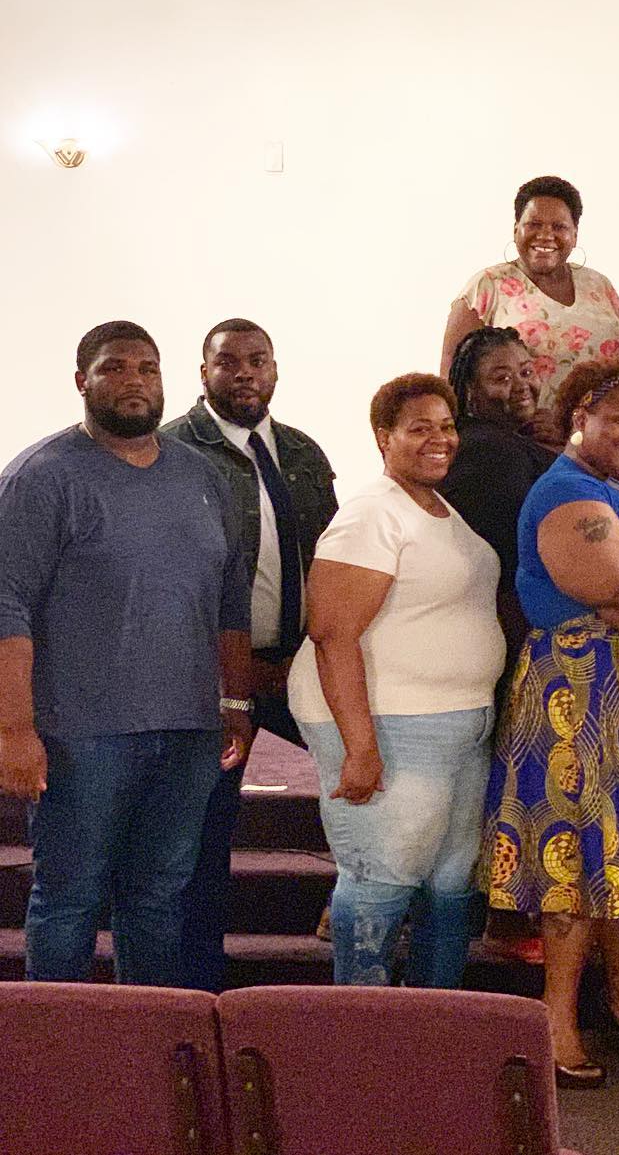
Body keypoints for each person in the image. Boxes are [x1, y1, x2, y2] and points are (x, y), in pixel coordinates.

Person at [0, 321, 253, 986]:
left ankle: (145, 1054)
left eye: (147, 368)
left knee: (158, 900)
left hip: (189, 732)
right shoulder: (40, 477)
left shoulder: (202, 477)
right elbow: (7, 606)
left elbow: (230, 599)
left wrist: (233, 699)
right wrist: (14, 728)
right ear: (82, 381)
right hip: (83, 736)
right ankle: (57, 1061)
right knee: (69, 901)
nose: (134, 381)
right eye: (114, 368)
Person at [481, 357, 619, 1088]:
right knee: (572, 858)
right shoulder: (567, 493)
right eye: (616, 421)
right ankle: (556, 1024)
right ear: (579, 416)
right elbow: (612, 593)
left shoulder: (614, 489)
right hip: (579, 692)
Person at [287, 374, 505, 989]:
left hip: (460, 720)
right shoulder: (371, 514)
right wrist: (360, 746)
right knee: (383, 876)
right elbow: (332, 634)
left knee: (449, 882)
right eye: (419, 428)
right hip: (389, 722)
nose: (439, 440)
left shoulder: (436, 507)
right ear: (384, 438)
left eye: (446, 426)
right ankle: (363, 1037)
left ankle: (434, 1023)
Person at [163, 317, 339, 993]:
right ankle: (196, 986)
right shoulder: (175, 450)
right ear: (202, 372)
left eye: (257, 360)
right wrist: (232, 667)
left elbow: (328, 555)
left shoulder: (299, 450)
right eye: (227, 361)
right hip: (210, 678)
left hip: (299, 666)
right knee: (202, 835)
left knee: (368, 790)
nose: (244, 372)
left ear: (275, 368)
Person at [441, 175, 619, 413]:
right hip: (519, 441)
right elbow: (451, 384)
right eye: (534, 224)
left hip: (596, 442)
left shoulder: (601, 287)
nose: (546, 235)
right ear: (516, 228)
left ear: (575, 234)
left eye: (559, 227)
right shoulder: (486, 287)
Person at [439, 326, 558, 654]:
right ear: (470, 392)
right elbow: (505, 558)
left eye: (526, 372)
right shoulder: (488, 451)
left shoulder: (514, 441)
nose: (522, 386)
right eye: (501, 378)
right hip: (512, 628)